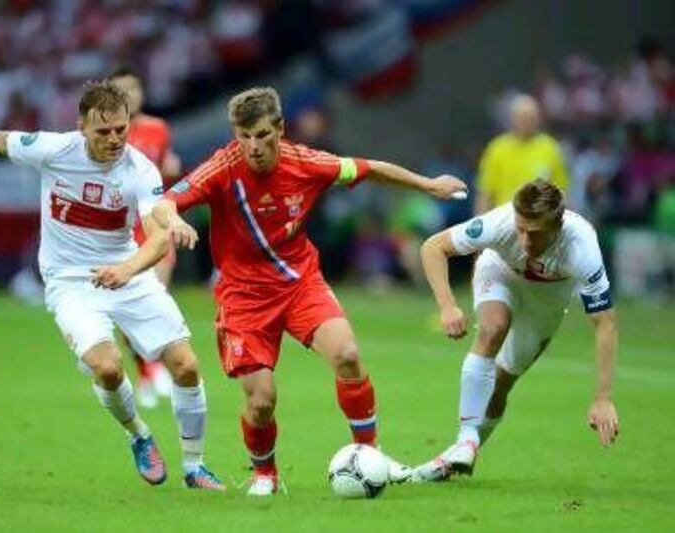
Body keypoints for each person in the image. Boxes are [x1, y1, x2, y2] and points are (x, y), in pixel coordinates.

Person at [0, 80, 224, 491]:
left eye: (121, 129)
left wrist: (133, 262)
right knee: (107, 366)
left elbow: (157, 233)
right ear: (81, 126)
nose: (115, 139)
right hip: (70, 283)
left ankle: (195, 467)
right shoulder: (53, 149)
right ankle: (139, 435)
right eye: (104, 131)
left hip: (128, 274)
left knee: (187, 366)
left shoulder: (139, 168)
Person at [146, 87, 468, 496]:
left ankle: (370, 455)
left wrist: (428, 185)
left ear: (280, 128)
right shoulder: (221, 168)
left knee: (347, 356)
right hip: (243, 297)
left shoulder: (307, 163)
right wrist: (172, 220)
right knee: (261, 402)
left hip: (300, 283)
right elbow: (166, 201)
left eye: (263, 134)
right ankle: (266, 474)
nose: (253, 146)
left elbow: (369, 168)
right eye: (244, 136)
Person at [412, 179, 619, 481]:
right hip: (501, 274)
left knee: (501, 385)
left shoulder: (582, 247)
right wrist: (447, 306)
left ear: (557, 226)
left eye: (534, 233)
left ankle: (455, 457)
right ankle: (466, 438)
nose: (524, 241)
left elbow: (605, 322)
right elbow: (433, 247)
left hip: (547, 301)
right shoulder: (500, 223)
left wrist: (603, 398)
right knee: (492, 328)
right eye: (520, 229)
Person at [109, 67, 180, 409]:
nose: (130, 95)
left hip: (153, 228)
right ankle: (146, 370)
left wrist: (171, 169)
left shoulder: (158, 128)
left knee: (155, 299)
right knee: (125, 313)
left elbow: (165, 169)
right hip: (118, 231)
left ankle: (156, 368)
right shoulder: (106, 133)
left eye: (135, 88)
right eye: (122, 90)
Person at [476, 95, 569, 214]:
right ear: (512, 118)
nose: (526, 121)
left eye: (531, 117)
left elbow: (561, 191)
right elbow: (485, 192)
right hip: (504, 221)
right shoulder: (497, 148)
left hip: (541, 224)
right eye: (522, 117)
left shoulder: (550, 148)